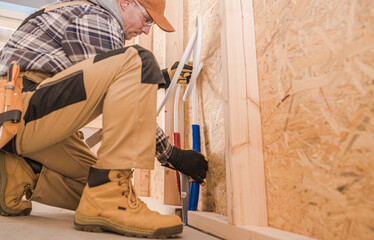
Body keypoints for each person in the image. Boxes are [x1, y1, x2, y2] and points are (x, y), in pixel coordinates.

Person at [0, 0, 208, 238]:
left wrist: (160, 78)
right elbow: (119, 81)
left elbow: (96, 80)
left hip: (23, 118)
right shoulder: (99, 17)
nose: (146, 30)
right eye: (147, 19)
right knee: (137, 59)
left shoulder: (79, 13)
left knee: (95, 190)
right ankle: (109, 201)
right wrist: (173, 155)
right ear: (125, 2)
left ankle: (22, 173)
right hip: (19, 111)